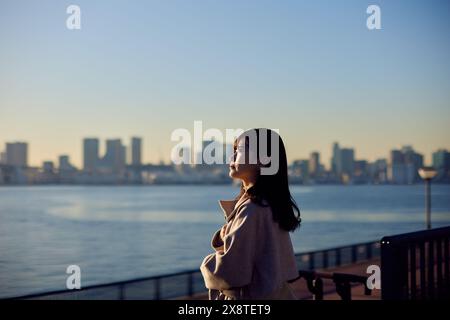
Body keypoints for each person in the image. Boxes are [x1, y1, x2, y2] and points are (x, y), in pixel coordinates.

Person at [200, 128, 301, 300]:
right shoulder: (270, 203)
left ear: (263, 159)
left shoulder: (252, 209)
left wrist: (205, 264)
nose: (231, 158)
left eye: (238, 151)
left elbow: (230, 272)